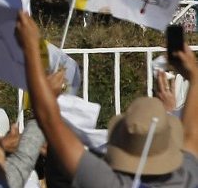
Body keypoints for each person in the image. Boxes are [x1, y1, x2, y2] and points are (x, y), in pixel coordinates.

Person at [16, 10, 198, 187]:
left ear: (120, 142)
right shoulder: (187, 177)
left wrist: (31, 48)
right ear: (170, 142)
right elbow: (191, 134)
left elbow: (49, 120)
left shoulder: (105, 182)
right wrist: (193, 74)